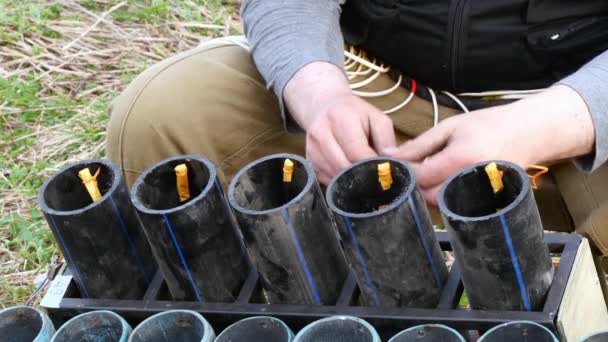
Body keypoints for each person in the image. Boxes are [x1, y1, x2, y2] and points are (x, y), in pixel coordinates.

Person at [106, 1, 608, 266]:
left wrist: (552, 122)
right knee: (168, 112)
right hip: (385, 90)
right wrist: (319, 93)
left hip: (579, 118)